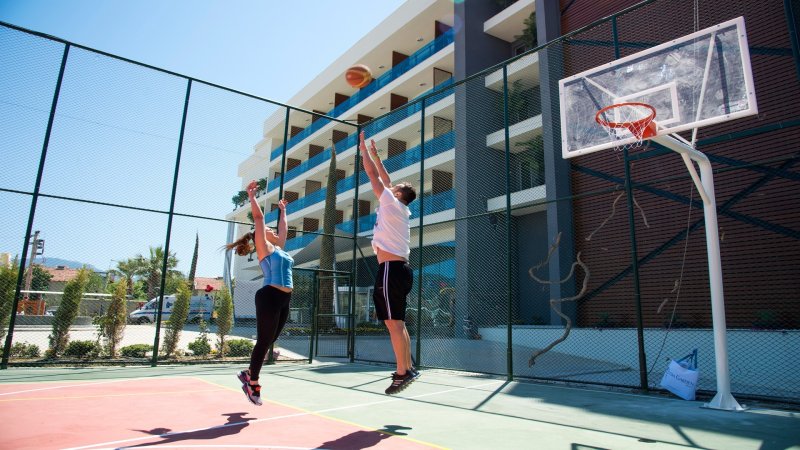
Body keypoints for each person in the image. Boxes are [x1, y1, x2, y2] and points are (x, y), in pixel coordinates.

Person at [359, 131, 419, 395]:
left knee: (393, 324)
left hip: (391, 270)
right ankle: (407, 368)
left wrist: (362, 150)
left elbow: (375, 177)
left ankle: (402, 372)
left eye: (393, 188)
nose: (389, 187)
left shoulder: (392, 204)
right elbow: (385, 178)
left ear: (396, 194)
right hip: (401, 269)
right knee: (399, 324)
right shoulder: (402, 208)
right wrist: (375, 154)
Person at [226, 180, 293, 406]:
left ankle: (247, 373)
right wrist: (252, 197)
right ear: (260, 237)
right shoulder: (265, 248)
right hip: (269, 296)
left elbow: (283, 230)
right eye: (269, 230)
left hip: (285, 298)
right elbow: (259, 219)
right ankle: (252, 383)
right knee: (264, 341)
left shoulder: (281, 249)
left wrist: (283, 211)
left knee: (270, 340)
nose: (274, 231)